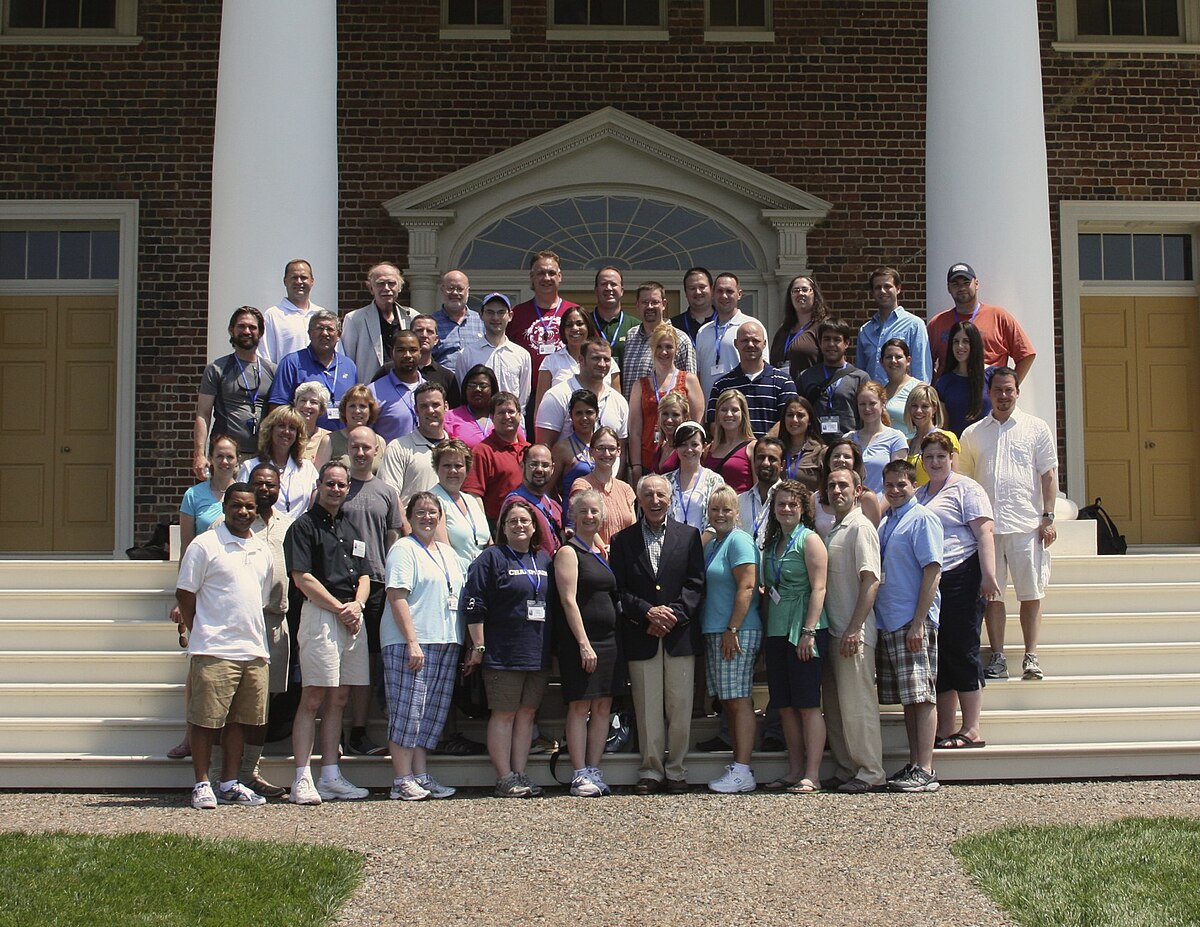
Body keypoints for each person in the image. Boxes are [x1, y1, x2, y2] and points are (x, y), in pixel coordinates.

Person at [175, 483, 274, 809]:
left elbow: (258, 598)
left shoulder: (262, 550)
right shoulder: (205, 545)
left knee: (240, 721)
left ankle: (230, 782)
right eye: (236, 506)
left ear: (256, 511)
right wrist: (199, 630)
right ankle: (202, 783)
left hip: (253, 649)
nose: (243, 512)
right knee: (205, 721)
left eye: (249, 507)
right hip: (214, 648)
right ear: (225, 507)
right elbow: (185, 594)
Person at [959, 367, 1058, 682]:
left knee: (1030, 592)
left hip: (1026, 524)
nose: (1003, 395)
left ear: (1017, 392)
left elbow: (1049, 474)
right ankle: (998, 656)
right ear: (990, 393)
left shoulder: (1036, 428)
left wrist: (1049, 517)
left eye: (1009, 390)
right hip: (987, 530)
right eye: (998, 390)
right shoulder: (973, 433)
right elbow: (964, 480)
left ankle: (1031, 656)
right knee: (993, 596)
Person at [610, 474, 706, 794]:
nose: (654, 501)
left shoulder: (690, 536)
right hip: (642, 633)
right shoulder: (622, 541)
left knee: (680, 706)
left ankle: (676, 769)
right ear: (639, 500)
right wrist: (647, 613)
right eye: (648, 495)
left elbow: (695, 585)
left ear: (670, 499)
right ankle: (651, 769)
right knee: (648, 707)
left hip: (679, 635)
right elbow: (619, 590)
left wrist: (673, 615)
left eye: (660, 495)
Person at [284, 461, 371, 804]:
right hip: (322, 615)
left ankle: (331, 775)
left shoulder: (351, 527)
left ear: (349, 488)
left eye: (341, 485)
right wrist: (339, 608)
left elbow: (364, 575)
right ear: (318, 485)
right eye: (330, 483)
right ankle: (302, 778)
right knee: (314, 698)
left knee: (339, 698)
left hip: (352, 616)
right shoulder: (303, 527)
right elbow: (301, 577)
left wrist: (357, 607)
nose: (335, 489)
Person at [462, 498, 553, 798]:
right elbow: (474, 603)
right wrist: (479, 645)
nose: (519, 526)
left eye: (524, 521)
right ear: (502, 527)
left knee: (527, 714)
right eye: (512, 521)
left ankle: (520, 773)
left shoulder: (542, 560)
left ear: (534, 526)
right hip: (502, 653)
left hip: (536, 651)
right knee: (504, 714)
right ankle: (504, 777)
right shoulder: (492, 558)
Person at [917, 432, 999, 749]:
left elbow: (985, 533)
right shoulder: (922, 494)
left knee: (963, 648)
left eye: (941, 455)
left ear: (952, 456)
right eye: (929, 457)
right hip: (933, 581)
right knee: (942, 653)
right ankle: (946, 728)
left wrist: (989, 576)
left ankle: (972, 728)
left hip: (963, 573)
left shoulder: (966, 488)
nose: (936, 462)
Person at [382, 491, 465, 801]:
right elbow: (397, 595)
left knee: (430, 714)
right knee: (408, 711)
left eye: (433, 512)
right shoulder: (404, 549)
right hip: (412, 642)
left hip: (444, 640)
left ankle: (420, 774)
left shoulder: (448, 553)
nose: (427, 517)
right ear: (410, 516)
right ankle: (401, 779)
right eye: (420, 512)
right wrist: (411, 641)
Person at [875, 459, 944, 792]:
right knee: (909, 698)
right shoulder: (886, 521)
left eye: (901, 484)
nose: (895, 490)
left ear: (913, 485)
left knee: (922, 695)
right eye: (889, 484)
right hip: (890, 620)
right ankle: (915, 763)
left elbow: (932, 571)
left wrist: (919, 621)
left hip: (912, 620)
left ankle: (927, 768)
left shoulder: (922, 519)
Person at [551, 489, 623, 797]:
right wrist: (583, 642)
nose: (590, 516)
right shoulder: (569, 553)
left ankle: (594, 767)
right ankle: (579, 771)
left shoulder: (599, 551)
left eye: (595, 511)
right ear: (574, 515)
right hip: (582, 640)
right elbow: (568, 600)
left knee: (604, 705)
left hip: (610, 641)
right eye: (584, 512)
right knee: (580, 706)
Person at [820, 466, 885, 793]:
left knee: (858, 704)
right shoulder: (835, 528)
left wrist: (855, 628)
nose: (837, 490)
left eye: (843, 485)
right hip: (833, 630)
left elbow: (871, 580)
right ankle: (847, 767)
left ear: (858, 490)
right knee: (836, 706)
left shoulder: (861, 527)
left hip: (853, 633)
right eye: (832, 485)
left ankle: (870, 771)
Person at [339, 426, 404, 757]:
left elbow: (394, 535)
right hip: (340, 584)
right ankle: (335, 727)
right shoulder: (337, 486)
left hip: (376, 583)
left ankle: (359, 730)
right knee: (338, 658)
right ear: (347, 449)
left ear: (376, 451)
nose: (361, 452)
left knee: (369, 660)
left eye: (366, 447)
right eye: (355, 446)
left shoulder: (387, 492)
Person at [760, 478, 828, 794]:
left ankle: (812, 773)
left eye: (792, 504)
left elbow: (819, 587)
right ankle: (795, 768)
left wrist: (809, 631)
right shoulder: (772, 543)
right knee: (785, 705)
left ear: (802, 509)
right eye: (781, 504)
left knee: (807, 703)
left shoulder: (809, 540)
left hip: (803, 628)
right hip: (776, 628)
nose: (786, 509)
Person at [700, 486, 763, 793]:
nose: (720, 515)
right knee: (729, 701)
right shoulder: (715, 542)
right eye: (715, 509)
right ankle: (738, 765)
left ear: (737, 513)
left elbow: (748, 587)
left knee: (739, 701)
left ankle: (742, 769)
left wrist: (733, 629)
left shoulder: (739, 540)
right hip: (717, 629)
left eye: (726, 509)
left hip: (736, 632)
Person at [238, 462, 293, 798]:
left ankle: (249, 771)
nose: (264, 490)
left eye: (270, 484)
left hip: (276, 622)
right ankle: (223, 773)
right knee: (236, 702)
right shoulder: (234, 521)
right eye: (258, 483)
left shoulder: (289, 523)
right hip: (242, 621)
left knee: (264, 704)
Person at [193, 306, 274, 478]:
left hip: (262, 456)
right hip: (226, 458)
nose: (247, 331)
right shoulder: (216, 369)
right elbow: (203, 413)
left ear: (260, 333)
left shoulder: (272, 370)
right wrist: (199, 454)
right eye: (241, 326)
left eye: (252, 327)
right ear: (231, 330)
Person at [928, 262, 1036, 380]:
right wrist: (934, 389)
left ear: (976, 284)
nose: (962, 288)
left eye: (966, 283)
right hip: (949, 395)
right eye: (955, 284)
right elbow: (925, 361)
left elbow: (1026, 354)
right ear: (948, 288)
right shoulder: (937, 323)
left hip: (987, 394)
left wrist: (1010, 386)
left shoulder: (999, 316)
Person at [627, 322, 704, 485]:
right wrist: (636, 467)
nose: (664, 352)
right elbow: (634, 431)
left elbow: (697, 425)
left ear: (676, 349)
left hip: (681, 461)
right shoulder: (640, 385)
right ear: (652, 349)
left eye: (669, 346)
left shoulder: (689, 380)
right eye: (659, 346)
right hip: (648, 462)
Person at [266, 309, 358, 431]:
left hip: (341, 441)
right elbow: (277, 410)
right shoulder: (291, 363)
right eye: (319, 328)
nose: (325, 333)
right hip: (304, 440)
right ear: (309, 333)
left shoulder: (349, 365)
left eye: (330, 329)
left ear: (339, 335)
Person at [535, 337, 629, 452]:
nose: (602, 364)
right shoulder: (557, 396)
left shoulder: (619, 401)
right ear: (581, 360)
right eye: (595, 358)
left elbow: (622, 450)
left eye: (606, 359)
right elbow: (543, 448)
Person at [708, 319, 797, 438]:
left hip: (771, 454)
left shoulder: (784, 382)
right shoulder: (721, 385)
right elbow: (714, 424)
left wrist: (761, 447)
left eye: (755, 340)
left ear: (764, 344)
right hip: (734, 454)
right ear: (736, 343)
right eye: (745, 340)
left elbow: (790, 419)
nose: (750, 345)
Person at [507, 250, 581, 383]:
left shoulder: (575, 312)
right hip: (527, 393)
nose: (546, 278)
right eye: (541, 273)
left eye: (551, 273)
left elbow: (590, 349)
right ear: (532, 277)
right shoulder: (517, 313)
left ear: (560, 276)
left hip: (569, 389)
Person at [339, 262, 420, 383]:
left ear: (400, 287)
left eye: (391, 283)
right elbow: (347, 362)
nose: (386, 288)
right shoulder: (355, 319)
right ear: (371, 289)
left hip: (405, 387)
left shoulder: (412, 317)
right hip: (370, 391)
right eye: (380, 283)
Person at [621, 281, 698, 402]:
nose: (650, 306)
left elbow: (690, 388)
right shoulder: (631, 336)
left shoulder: (680, 339)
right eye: (645, 302)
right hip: (631, 416)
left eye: (655, 302)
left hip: (666, 416)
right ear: (637, 305)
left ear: (664, 304)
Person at [237, 406, 319, 518]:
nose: (286, 431)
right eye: (281, 426)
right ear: (270, 430)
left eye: (292, 428)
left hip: (300, 531)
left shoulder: (307, 468)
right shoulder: (250, 466)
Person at [797, 318, 871, 441]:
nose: (831, 344)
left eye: (837, 340)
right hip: (815, 445)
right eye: (826, 339)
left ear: (846, 343)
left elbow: (867, 415)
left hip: (849, 444)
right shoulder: (806, 376)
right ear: (819, 343)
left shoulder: (860, 378)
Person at [455, 292, 532, 408]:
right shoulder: (466, 354)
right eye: (490, 312)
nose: (495, 318)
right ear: (481, 315)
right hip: (476, 422)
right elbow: (463, 394)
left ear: (510, 316)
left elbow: (523, 399)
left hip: (510, 421)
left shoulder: (522, 355)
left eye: (501, 312)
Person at [856, 267, 932, 384]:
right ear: (872, 293)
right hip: (873, 400)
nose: (882, 291)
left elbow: (921, 371)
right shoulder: (865, 331)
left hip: (904, 399)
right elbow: (860, 375)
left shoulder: (914, 325)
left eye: (887, 286)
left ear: (898, 289)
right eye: (877, 287)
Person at [463, 391, 530, 524]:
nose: (507, 416)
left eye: (511, 412)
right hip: (498, 525)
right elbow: (473, 495)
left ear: (519, 415)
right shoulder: (482, 451)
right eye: (501, 413)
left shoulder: (529, 449)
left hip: (528, 522)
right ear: (492, 417)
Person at [534, 305, 614, 415]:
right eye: (569, 325)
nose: (575, 328)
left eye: (580, 324)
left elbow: (616, 401)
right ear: (563, 329)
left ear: (588, 327)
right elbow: (540, 408)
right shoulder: (550, 361)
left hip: (603, 426)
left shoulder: (607, 362)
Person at [568, 426, 636, 553]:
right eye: (600, 448)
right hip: (595, 556)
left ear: (619, 451)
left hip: (624, 557)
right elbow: (585, 523)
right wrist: (605, 550)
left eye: (611, 449)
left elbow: (633, 528)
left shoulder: (626, 489)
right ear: (591, 452)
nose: (606, 454)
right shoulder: (582, 485)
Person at [379, 382, 449, 504]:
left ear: (446, 406)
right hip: (412, 522)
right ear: (416, 410)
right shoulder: (397, 448)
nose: (430, 410)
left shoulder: (456, 450)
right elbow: (390, 499)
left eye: (436, 405)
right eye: (424, 406)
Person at [696, 272, 761, 400]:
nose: (724, 296)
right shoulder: (703, 332)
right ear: (713, 294)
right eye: (719, 291)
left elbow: (761, 370)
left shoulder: (752, 327)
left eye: (729, 291)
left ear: (739, 294)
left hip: (741, 408)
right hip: (711, 408)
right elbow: (698, 374)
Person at [431, 438, 489, 572]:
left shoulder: (472, 501)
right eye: (447, 465)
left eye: (458, 466)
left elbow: (489, 543)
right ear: (436, 468)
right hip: (456, 577)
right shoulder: (433, 500)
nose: (453, 470)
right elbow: (443, 549)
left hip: (482, 578)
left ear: (467, 469)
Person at [810, 439, 885, 539]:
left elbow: (872, 538)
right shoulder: (815, 498)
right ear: (828, 462)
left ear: (855, 462)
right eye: (836, 456)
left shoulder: (867, 498)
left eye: (847, 456)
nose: (841, 460)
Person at [846, 381, 908, 494]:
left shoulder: (896, 438)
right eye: (862, 404)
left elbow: (898, 482)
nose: (867, 408)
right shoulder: (848, 439)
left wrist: (877, 510)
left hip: (884, 507)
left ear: (883, 403)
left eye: (872, 403)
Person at [180, 434, 240, 551]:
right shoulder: (193, 495)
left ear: (238, 460)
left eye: (230, 457)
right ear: (211, 458)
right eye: (219, 456)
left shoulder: (245, 495)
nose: (224, 461)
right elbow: (187, 547)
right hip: (204, 565)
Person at [933, 319, 992, 436]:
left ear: (974, 344)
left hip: (989, 447)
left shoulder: (992, 376)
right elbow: (944, 426)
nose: (960, 346)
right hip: (958, 449)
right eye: (955, 341)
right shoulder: (944, 382)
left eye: (966, 341)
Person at [259, 259, 323, 365]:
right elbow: (265, 359)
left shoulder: (322, 315)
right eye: (294, 277)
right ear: (285, 281)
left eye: (303, 277)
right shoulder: (273, 315)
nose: (299, 282)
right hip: (287, 381)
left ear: (312, 281)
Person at [503, 444, 563, 557]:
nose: (539, 469)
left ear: (552, 468)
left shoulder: (555, 506)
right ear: (522, 466)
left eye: (545, 465)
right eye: (533, 464)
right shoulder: (515, 503)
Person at [665, 421, 724, 531]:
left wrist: (698, 546)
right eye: (683, 444)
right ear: (676, 448)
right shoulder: (665, 481)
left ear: (704, 447)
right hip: (671, 546)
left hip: (704, 546)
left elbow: (718, 521)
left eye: (694, 444)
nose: (689, 449)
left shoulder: (715, 481)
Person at [770, 275, 827, 386]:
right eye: (795, 291)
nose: (800, 293)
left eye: (805, 289)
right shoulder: (783, 330)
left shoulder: (823, 326)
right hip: (784, 394)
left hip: (811, 394)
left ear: (814, 293)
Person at [314, 384, 386, 472]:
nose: (357, 411)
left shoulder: (380, 441)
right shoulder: (329, 440)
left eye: (362, 406)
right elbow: (317, 476)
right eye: (352, 406)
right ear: (344, 410)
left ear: (370, 411)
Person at [370, 330, 423, 442]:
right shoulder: (373, 392)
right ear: (391, 353)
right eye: (401, 350)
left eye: (413, 350)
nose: (407, 355)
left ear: (420, 352)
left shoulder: (431, 391)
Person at [904, 384, 959, 486]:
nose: (918, 411)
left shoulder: (947, 438)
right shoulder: (907, 443)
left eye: (924, 406)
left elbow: (954, 480)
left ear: (934, 409)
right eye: (914, 406)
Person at [703, 389, 756, 493]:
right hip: (713, 507)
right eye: (724, 410)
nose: (729, 414)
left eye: (734, 410)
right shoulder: (709, 449)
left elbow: (758, 489)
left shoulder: (753, 447)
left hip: (741, 507)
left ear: (743, 413)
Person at [431, 269, 484, 371]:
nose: (455, 293)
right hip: (444, 384)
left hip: (475, 383)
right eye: (450, 288)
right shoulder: (432, 323)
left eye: (460, 289)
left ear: (467, 291)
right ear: (442, 290)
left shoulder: (481, 321)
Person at [550, 389, 598, 498]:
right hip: (572, 512)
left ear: (597, 414)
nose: (584, 418)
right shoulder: (561, 449)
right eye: (579, 413)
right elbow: (549, 488)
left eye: (589, 412)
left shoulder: (604, 445)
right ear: (571, 415)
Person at [738, 436, 784, 548]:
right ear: (753, 461)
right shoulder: (739, 501)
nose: (765, 463)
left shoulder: (791, 502)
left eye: (772, 459)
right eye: (760, 457)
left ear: (782, 465)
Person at [445, 364, 504, 450]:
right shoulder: (450, 417)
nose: (477, 389)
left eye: (483, 386)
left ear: (492, 389)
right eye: (472, 385)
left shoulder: (504, 416)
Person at [591, 266, 639, 370]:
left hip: (626, 386)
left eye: (613, 284)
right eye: (604, 284)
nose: (608, 288)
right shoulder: (584, 324)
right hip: (589, 386)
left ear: (622, 291)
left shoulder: (636, 326)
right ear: (596, 290)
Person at [410, 314, 462, 410]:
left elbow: (454, 415)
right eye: (419, 330)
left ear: (436, 340)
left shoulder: (447, 377)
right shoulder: (392, 371)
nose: (424, 335)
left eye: (429, 331)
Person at [778, 396, 825, 492]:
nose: (794, 420)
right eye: (790, 415)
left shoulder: (821, 452)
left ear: (810, 421)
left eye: (800, 415)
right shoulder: (777, 450)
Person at [879, 339, 922, 439]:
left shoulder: (918, 388)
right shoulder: (880, 392)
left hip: (912, 449)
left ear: (908, 361)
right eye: (888, 357)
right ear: (882, 362)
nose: (893, 361)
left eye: (898, 357)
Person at [671, 266, 715, 346]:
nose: (698, 292)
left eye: (702, 287)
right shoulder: (673, 326)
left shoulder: (725, 322)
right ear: (685, 292)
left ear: (712, 290)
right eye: (692, 288)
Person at [291, 380, 330, 461]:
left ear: (321, 409)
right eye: (303, 400)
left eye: (313, 402)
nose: (307, 406)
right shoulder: (286, 434)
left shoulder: (329, 438)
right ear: (295, 404)